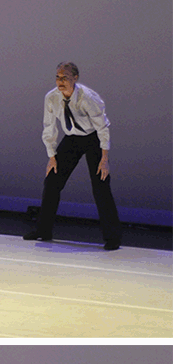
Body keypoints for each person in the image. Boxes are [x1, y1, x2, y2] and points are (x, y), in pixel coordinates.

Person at [27, 61, 121, 248]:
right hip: (72, 139)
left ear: (75, 78)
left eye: (65, 78)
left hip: (93, 138)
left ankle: (112, 238)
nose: (60, 82)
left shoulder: (89, 98)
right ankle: (43, 230)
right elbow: (49, 126)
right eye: (57, 77)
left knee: (100, 186)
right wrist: (52, 156)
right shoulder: (51, 97)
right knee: (52, 181)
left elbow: (102, 127)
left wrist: (104, 158)